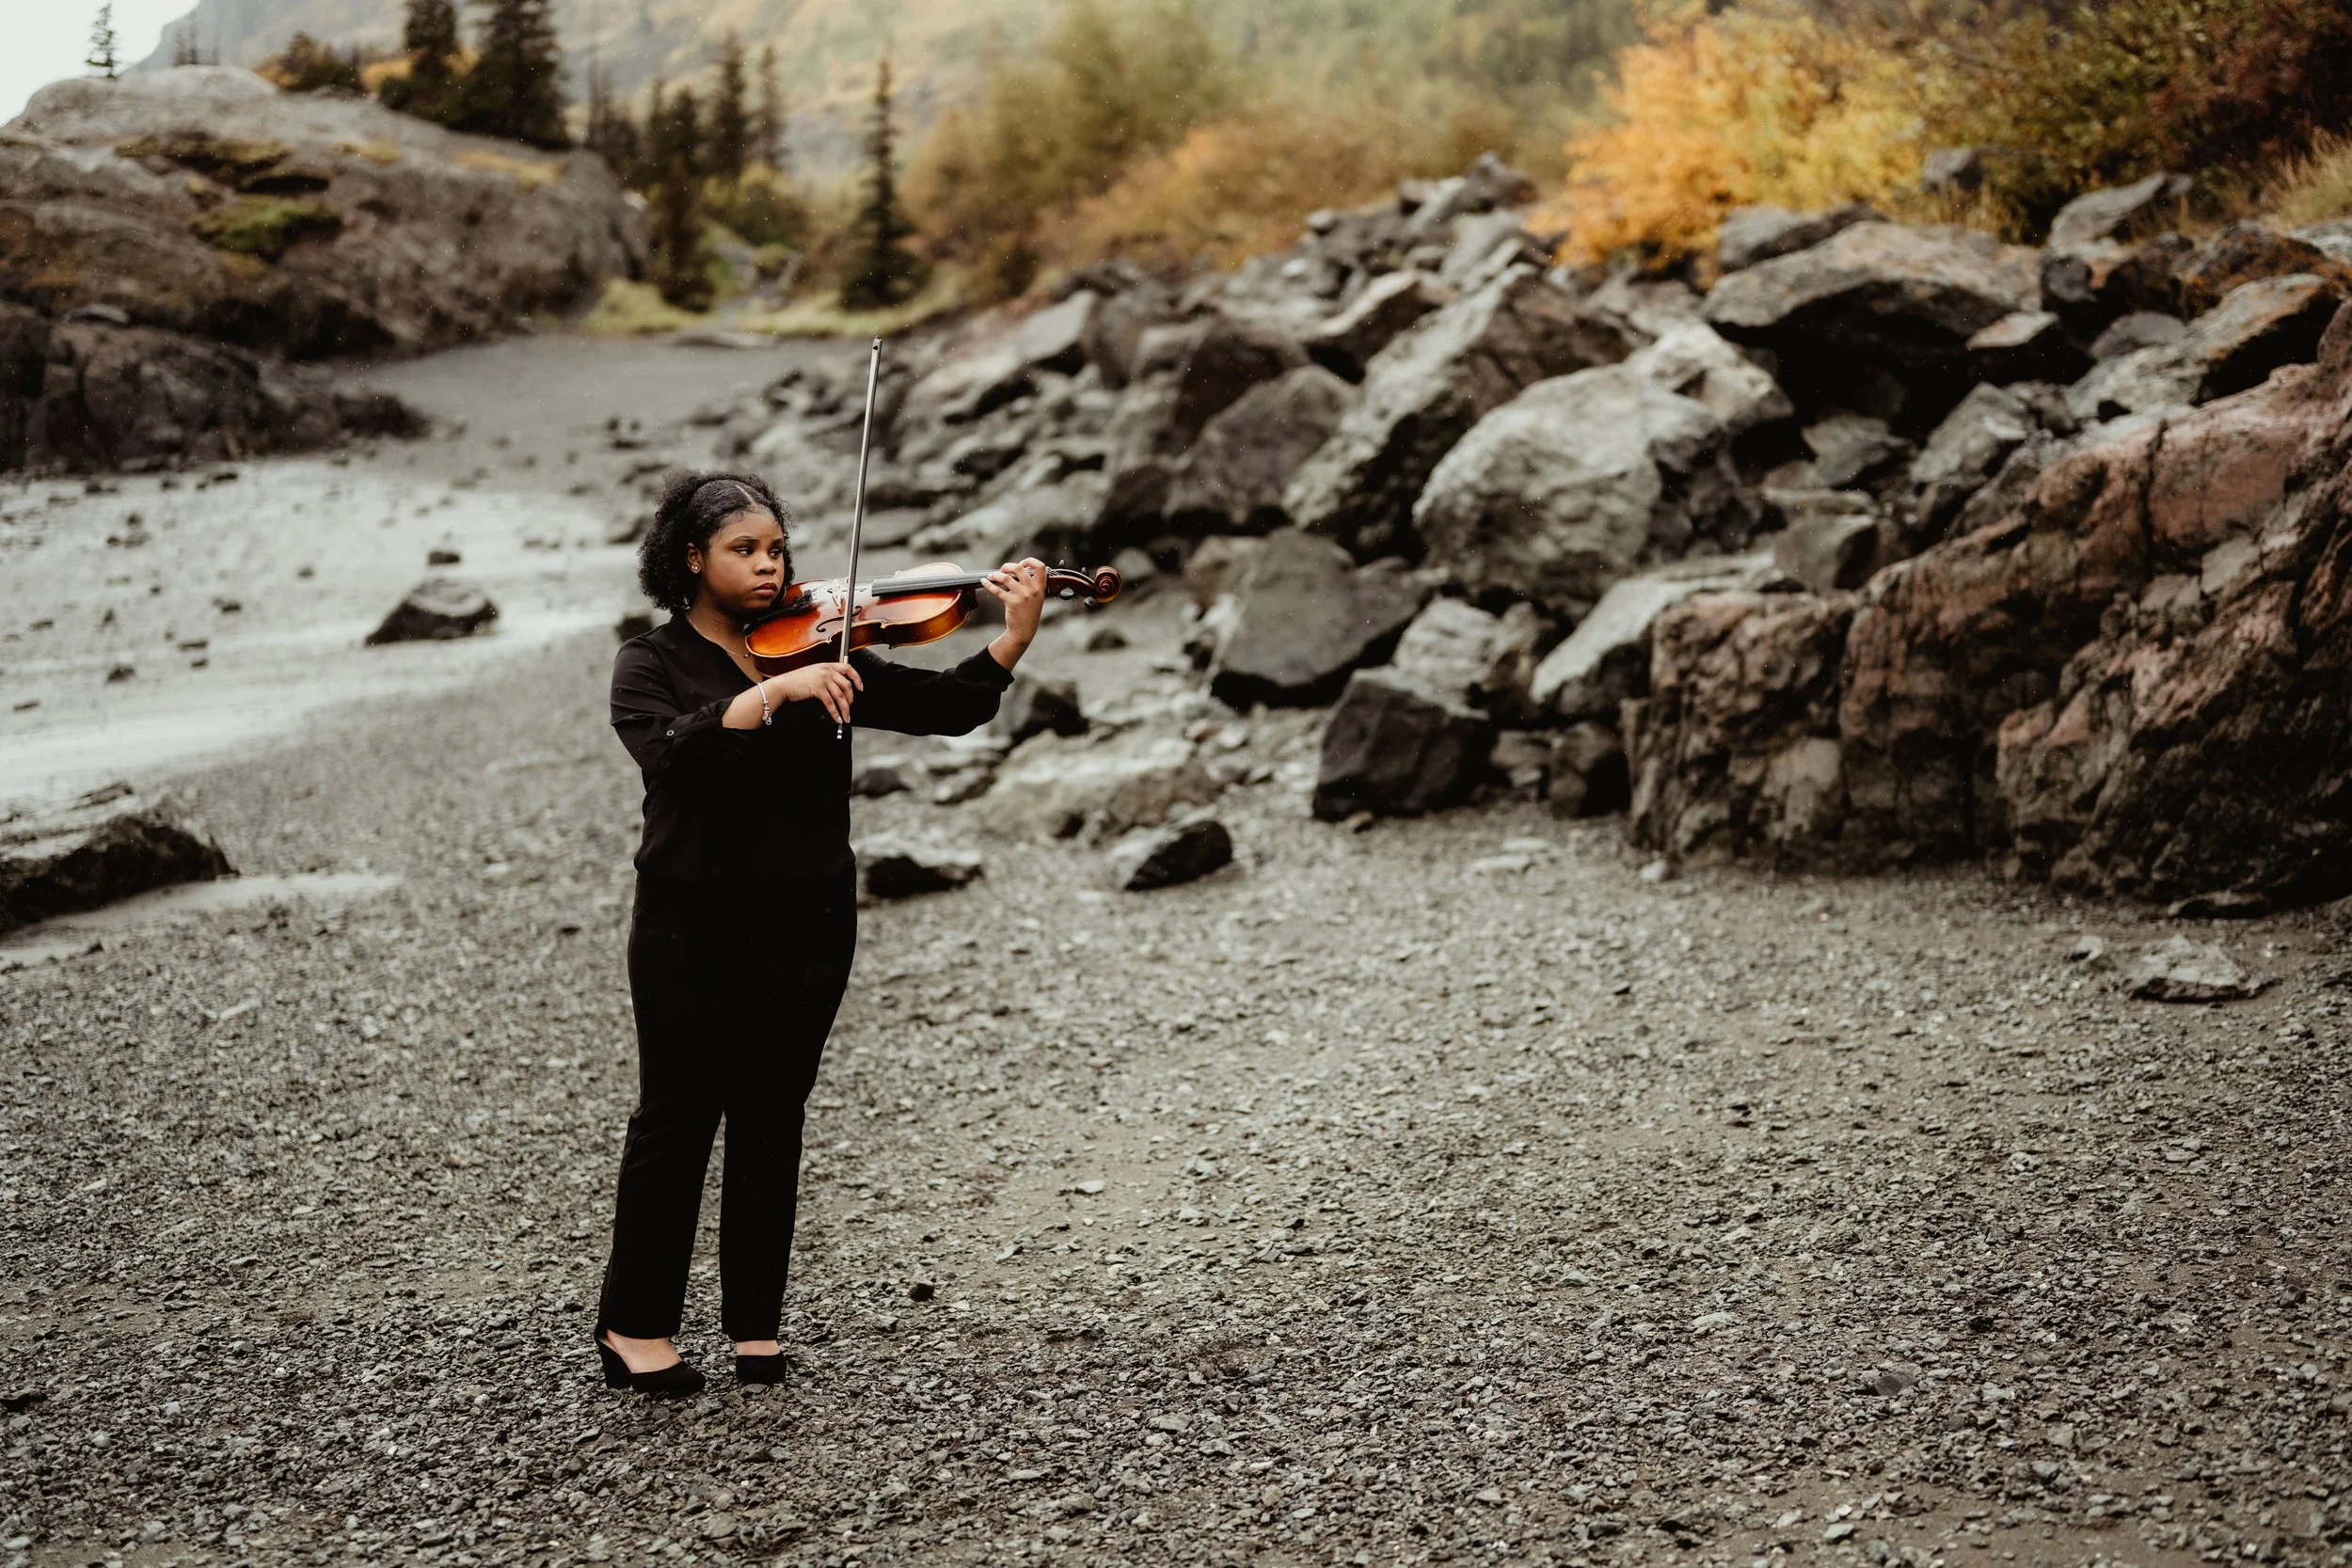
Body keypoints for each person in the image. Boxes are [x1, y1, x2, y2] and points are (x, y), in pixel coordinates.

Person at [594, 470, 1047, 1396]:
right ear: (691, 557)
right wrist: (775, 693)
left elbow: (944, 706)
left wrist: (1010, 640)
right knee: (677, 1116)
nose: (768, 566)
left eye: (775, 549)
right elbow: (674, 749)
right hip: (691, 921)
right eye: (743, 550)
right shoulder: (651, 661)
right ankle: (634, 1324)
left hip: (809, 917)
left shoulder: (831, 646)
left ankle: (753, 1325)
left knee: (772, 1113)